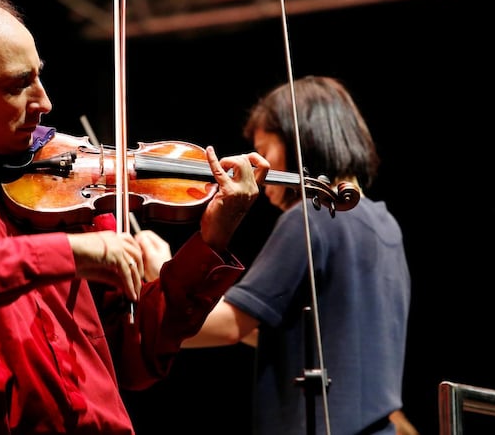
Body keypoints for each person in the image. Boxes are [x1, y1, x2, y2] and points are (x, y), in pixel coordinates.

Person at [0, 0, 269, 435]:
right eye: (17, 85)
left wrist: (212, 239)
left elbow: (137, 354)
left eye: (38, 75)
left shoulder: (67, 193)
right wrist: (66, 254)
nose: (44, 102)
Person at [173, 75, 413, 435]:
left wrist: (161, 289)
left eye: (265, 152)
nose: (260, 174)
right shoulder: (386, 224)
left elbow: (230, 326)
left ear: (303, 142)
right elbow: (292, 333)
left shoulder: (310, 217)